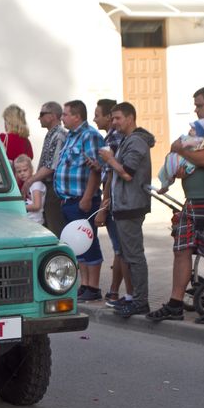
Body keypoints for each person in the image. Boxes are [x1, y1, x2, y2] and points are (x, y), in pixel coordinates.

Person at [158, 85, 204, 324]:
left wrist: (181, 150)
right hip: (192, 201)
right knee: (181, 249)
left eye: (199, 105)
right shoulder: (203, 130)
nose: (196, 110)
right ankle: (175, 303)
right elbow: (186, 151)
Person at [97, 102, 154, 318]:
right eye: (112, 118)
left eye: (117, 118)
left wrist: (109, 159)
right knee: (127, 255)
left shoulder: (136, 141)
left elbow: (127, 173)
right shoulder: (127, 140)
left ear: (130, 118)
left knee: (134, 256)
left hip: (131, 206)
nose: (114, 122)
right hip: (123, 205)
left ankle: (140, 302)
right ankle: (135, 299)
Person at [55, 100, 106, 301]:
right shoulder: (71, 136)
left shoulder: (89, 136)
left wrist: (87, 197)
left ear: (77, 116)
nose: (62, 118)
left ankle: (93, 286)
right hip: (69, 200)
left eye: (65, 114)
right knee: (78, 244)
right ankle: (84, 284)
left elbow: (96, 169)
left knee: (89, 242)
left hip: (82, 200)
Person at [91, 98, 133, 307]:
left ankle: (120, 293)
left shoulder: (115, 137)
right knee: (119, 249)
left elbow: (113, 175)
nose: (94, 119)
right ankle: (116, 291)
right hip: (113, 199)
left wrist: (103, 205)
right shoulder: (110, 136)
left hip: (116, 201)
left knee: (121, 249)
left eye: (97, 115)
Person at [21, 102, 67, 236]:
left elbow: (51, 166)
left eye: (42, 114)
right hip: (48, 186)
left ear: (52, 116)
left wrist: (30, 181)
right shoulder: (51, 134)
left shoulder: (58, 135)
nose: (39, 118)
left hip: (54, 188)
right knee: (48, 225)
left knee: (54, 228)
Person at [157, 119, 204, 191]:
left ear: (200, 132)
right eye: (191, 128)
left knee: (173, 169)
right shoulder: (187, 137)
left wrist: (185, 144)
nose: (190, 130)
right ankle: (164, 184)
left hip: (185, 160)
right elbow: (175, 145)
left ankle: (167, 183)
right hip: (178, 156)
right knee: (164, 170)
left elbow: (193, 144)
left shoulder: (200, 139)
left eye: (193, 129)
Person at [0, 104, 34, 170]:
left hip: (5, 175)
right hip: (18, 176)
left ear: (10, 122)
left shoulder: (2, 138)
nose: (4, 123)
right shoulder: (27, 142)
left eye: (5, 120)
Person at [13, 154, 45, 224]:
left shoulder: (36, 184)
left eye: (25, 170)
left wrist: (19, 207)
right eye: (19, 171)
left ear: (31, 169)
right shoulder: (27, 185)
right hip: (28, 221)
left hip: (36, 222)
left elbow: (37, 206)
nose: (22, 173)